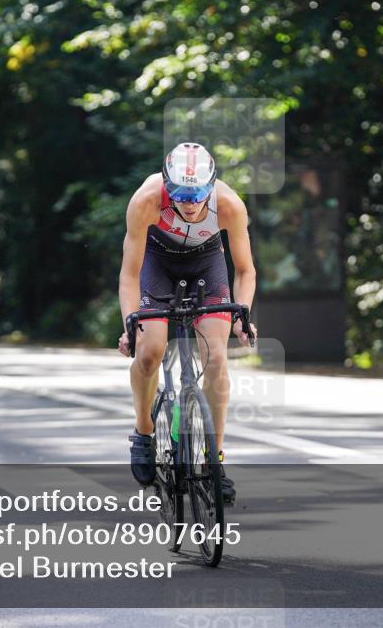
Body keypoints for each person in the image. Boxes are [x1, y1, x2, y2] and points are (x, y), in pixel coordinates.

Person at [118, 142, 257, 504]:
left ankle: (214, 461)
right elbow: (129, 274)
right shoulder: (146, 200)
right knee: (149, 352)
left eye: (197, 195)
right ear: (167, 185)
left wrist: (242, 314)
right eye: (180, 194)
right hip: (157, 264)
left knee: (217, 359)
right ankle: (144, 433)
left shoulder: (229, 204)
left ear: (211, 186)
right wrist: (129, 324)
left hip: (206, 264)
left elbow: (245, 270)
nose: (190, 203)